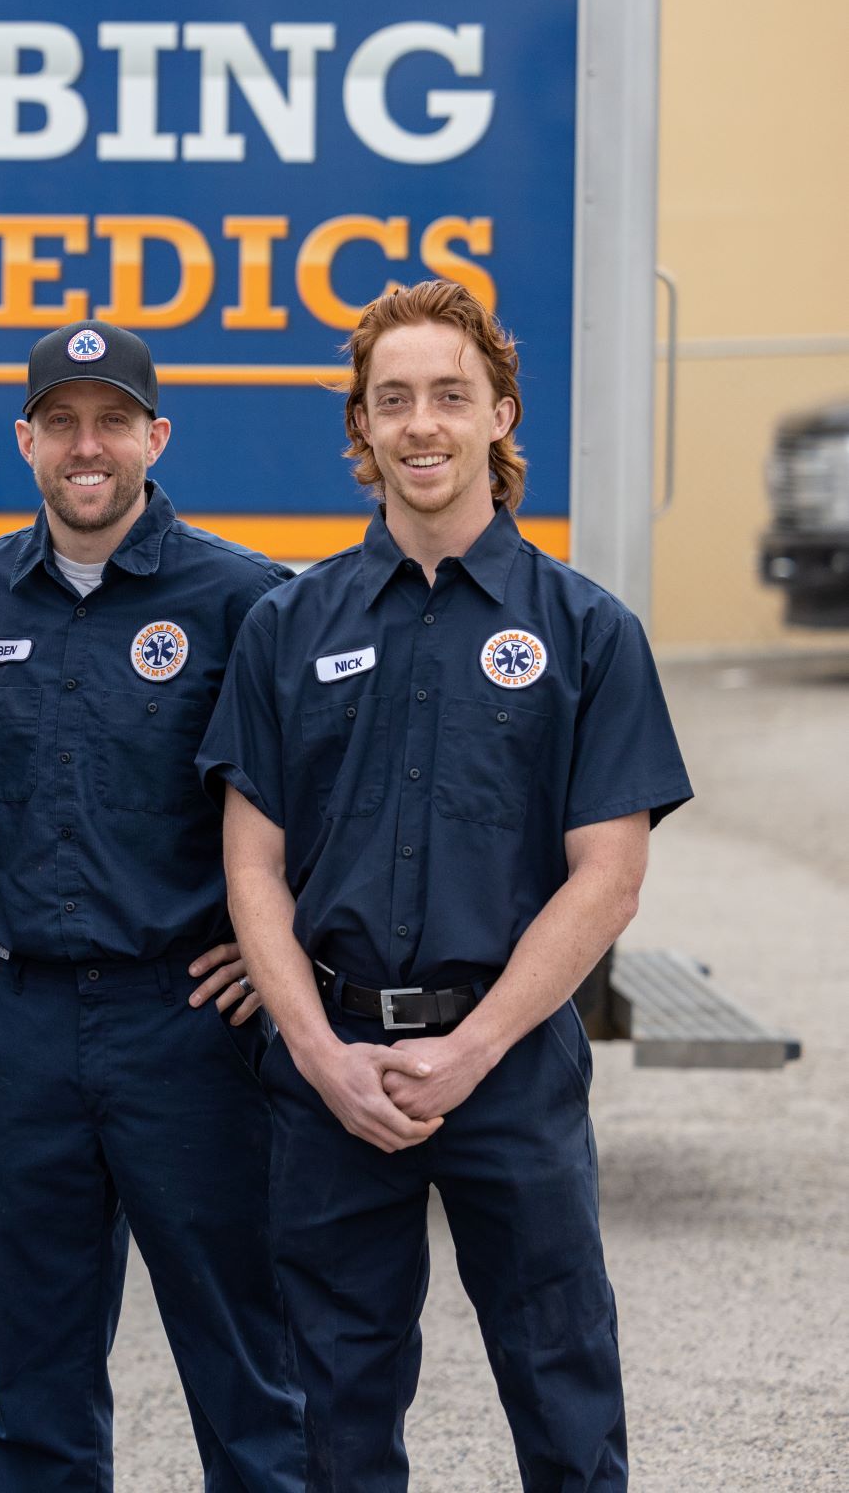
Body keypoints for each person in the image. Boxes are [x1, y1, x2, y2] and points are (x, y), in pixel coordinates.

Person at [198, 281, 692, 1491]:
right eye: (392, 400)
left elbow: (607, 875)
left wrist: (471, 1049)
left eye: (447, 397)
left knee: (563, 1390)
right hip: (331, 1074)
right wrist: (317, 1052)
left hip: (509, 1067)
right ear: (360, 431)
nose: (420, 424)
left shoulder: (586, 631)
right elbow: (250, 863)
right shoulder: (285, 624)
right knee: (334, 1415)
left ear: (498, 415)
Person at [0, 320, 307, 1490]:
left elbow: (319, 800)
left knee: (243, 1354)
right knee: (36, 1366)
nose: (83, 446)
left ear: (155, 435)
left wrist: (274, 948)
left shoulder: (242, 598)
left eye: (109, 422)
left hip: (188, 1023)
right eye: (60, 423)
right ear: (24, 440)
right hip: (31, 1022)